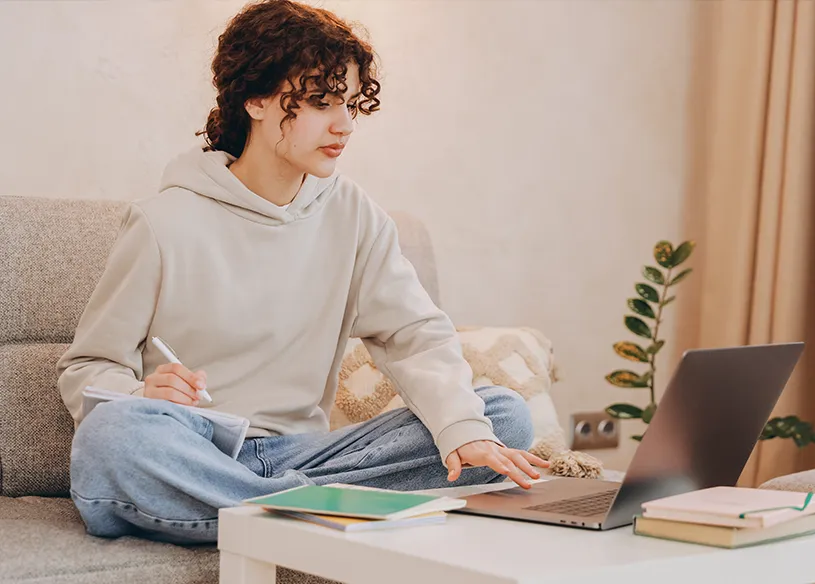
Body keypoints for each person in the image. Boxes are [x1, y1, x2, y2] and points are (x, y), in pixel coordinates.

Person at [56, 0, 548, 545]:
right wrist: (141, 392)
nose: (343, 125)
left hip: (305, 451)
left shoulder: (354, 215)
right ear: (256, 99)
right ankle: (313, 511)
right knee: (114, 435)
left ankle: (261, 510)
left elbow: (416, 336)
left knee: (501, 417)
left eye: (349, 103)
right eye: (320, 101)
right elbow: (88, 367)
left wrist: (463, 431)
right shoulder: (163, 222)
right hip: (196, 445)